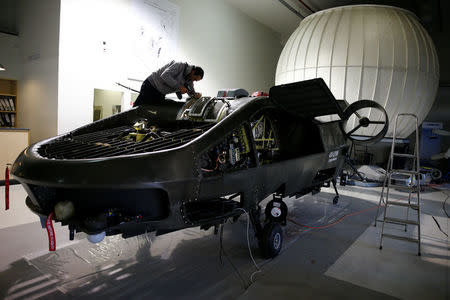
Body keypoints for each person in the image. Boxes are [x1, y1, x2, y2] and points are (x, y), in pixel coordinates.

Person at [133, 60, 204, 107]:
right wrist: (179, 87)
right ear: (193, 72)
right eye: (195, 79)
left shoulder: (189, 80)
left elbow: (190, 91)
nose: (193, 81)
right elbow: (164, 75)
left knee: (153, 110)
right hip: (151, 86)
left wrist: (195, 95)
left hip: (160, 93)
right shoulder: (179, 65)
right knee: (139, 107)